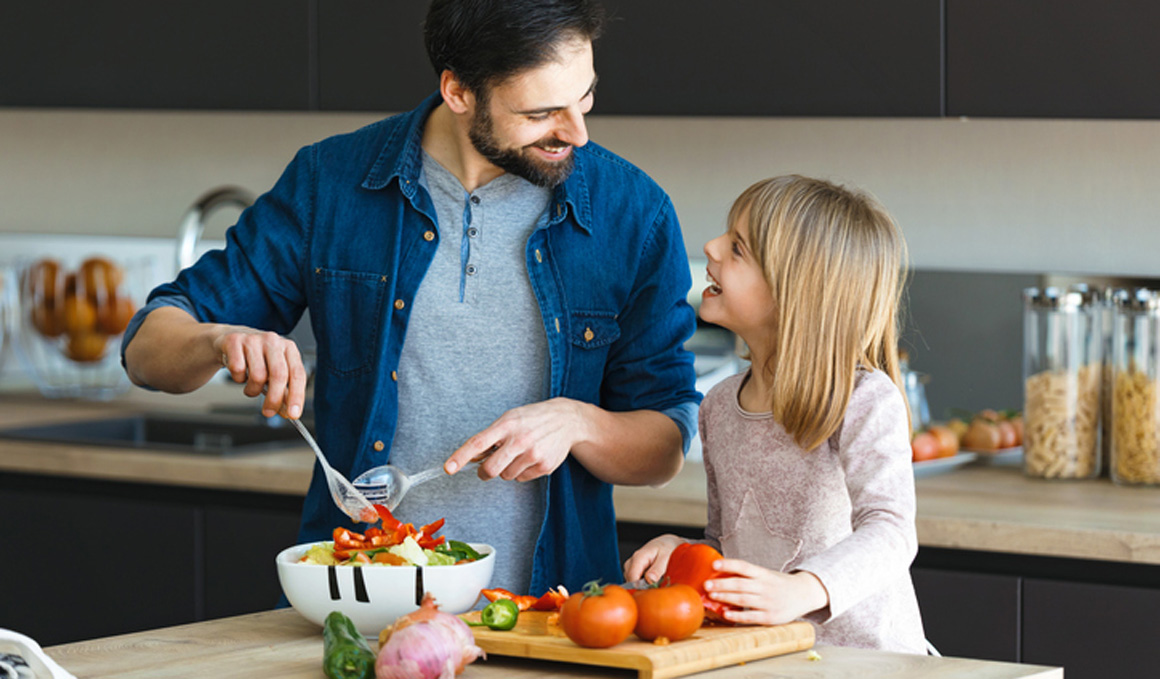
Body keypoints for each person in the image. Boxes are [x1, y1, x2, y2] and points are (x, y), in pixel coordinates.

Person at [122, 0, 699, 598]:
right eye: (541, 112)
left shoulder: (633, 213)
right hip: (362, 606)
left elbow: (664, 447)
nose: (578, 133)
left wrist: (578, 424)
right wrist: (219, 339)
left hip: (554, 617)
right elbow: (147, 348)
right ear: (457, 92)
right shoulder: (332, 183)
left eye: (585, 98)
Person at [623, 175, 926, 653]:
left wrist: (802, 591)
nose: (711, 247)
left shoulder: (864, 399)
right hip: (777, 660)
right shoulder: (720, 406)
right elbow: (734, 548)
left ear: (796, 292)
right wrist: (686, 555)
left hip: (869, 663)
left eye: (738, 248)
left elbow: (891, 531)